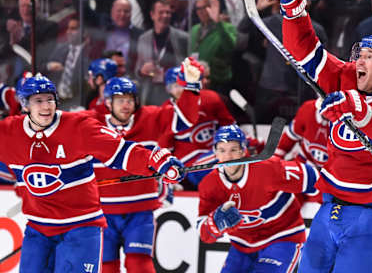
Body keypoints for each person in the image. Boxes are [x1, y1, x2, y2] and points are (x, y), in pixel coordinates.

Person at [268, 0, 372, 272]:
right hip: (329, 207)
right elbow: (305, 50)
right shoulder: (346, 76)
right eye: (359, 54)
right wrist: (293, 6)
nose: (359, 61)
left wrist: (357, 110)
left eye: (370, 56)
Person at [0, 74, 185, 272]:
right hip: (38, 229)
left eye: (50, 100)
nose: (46, 107)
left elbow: (121, 151)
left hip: (80, 228)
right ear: (25, 105)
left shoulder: (79, 127)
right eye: (38, 101)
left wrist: (157, 162)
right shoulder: (8, 132)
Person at [91, 59, 201, 272]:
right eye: (120, 100)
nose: (126, 105)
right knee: (106, 267)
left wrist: (191, 87)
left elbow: (186, 119)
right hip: (102, 212)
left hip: (140, 211)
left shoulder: (150, 118)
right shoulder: (92, 125)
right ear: (107, 102)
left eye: (130, 99)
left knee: (139, 265)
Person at [197, 124, 319, 272]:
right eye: (222, 150)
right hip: (242, 246)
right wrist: (214, 223)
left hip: (282, 238)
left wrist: (337, 203)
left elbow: (314, 179)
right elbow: (204, 235)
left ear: (243, 150)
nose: (227, 157)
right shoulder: (209, 185)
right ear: (215, 153)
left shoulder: (267, 169)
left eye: (233, 150)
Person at [157, 63, 235, 188]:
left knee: (238, 153)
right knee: (230, 157)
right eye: (175, 86)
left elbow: (229, 125)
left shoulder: (211, 99)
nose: (180, 90)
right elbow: (164, 148)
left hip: (216, 155)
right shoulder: (166, 111)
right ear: (168, 89)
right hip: (190, 167)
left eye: (183, 86)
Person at [136, 0, 189, 105]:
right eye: (161, 12)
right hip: (150, 94)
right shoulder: (143, 39)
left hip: (174, 92)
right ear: (152, 15)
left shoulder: (183, 38)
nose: (165, 15)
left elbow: (189, 66)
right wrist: (142, 71)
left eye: (168, 12)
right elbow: (137, 70)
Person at [274, 99, 329, 169]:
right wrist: (273, 163)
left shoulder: (345, 121)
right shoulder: (307, 109)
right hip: (304, 165)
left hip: (332, 173)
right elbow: (286, 142)